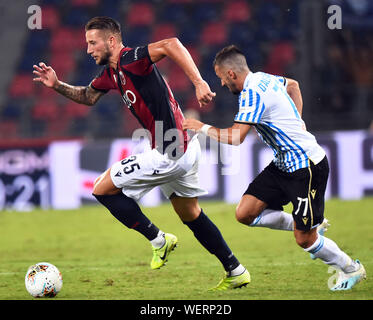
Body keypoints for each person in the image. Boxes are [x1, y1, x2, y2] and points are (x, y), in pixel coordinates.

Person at [32, 17, 250, 291]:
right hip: (185, 145)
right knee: (191, 213)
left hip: (171, 151)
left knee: (101, 189)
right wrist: (57, 85)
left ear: (111, 41)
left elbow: (171, 44)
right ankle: (235, 269)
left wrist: (198, 82)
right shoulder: (111, 74)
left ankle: (159, 241)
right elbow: (88, 96)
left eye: (92, 42)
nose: (88, 50)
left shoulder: (131, 59)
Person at [183, 45, 366, 291]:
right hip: (283, 164)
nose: (223, 86)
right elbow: (294, 86)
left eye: (221, 79)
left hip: (306, 167)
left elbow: (237, 138)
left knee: (305, 240)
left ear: (231, 75)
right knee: (245, 213)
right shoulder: (264, 78)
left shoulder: (251, 94)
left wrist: (200, 126)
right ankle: (311, 223)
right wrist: (298, 121)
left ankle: (351, 268)